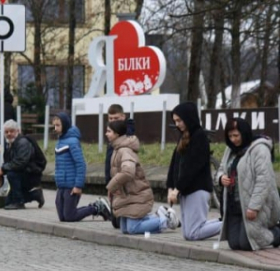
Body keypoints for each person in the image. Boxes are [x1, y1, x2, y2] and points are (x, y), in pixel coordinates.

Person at [215, 118, 280, 250]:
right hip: (235, 204)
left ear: (244, 133)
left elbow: (264, 180)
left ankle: (277, 234)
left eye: (236, 135)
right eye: (230, 136)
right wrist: (221, 178)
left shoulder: (260, 149)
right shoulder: (230, 150)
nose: (233, 139)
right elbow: (221, 168)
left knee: (246, 244)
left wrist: (254, 207)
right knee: (234, 243)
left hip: (255, 204)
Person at [106, 120, 179, 234]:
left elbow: (128, 172)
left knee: (132, 228)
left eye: (109, 131)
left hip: (137, 194)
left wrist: (111, 186)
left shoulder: (124, 150)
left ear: (117, 134)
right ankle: (159, 215)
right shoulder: (117, 149)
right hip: (129, 195)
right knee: (125, 229)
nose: (106, 134)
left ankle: (165, 220)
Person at [166, 101, 222, 240]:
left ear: (188, 118)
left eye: (179, 120)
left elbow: (192, 167)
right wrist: (170, 187)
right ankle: (223, 222)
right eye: (175, 121)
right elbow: (175, 163)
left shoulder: (199, 136)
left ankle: (230, 225)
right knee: (187, 233)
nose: (177, 124)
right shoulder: (184, 136)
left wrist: (177, 189)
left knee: (193, 233)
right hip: (186, 190)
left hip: (198, 189)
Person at [54, 112, 112, 222]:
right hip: (62, 185)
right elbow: (59, 165)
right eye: (54, 125)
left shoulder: (72, 142)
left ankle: (97, 207)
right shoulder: (60, 141)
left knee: (70, 216)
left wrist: (78, 185)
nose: (55, 128)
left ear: (65, 125)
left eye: (58, 125)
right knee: (63, 217)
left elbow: (80, 164)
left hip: (71, 185)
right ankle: (95, 207)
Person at [0, 119, 45, 210]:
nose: (9, 134)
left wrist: (3, 169)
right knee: (7, 202)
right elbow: (10, 162)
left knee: (11, 174)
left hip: (31, 175)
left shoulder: (22, 143)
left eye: (11, 131)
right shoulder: (10, 144)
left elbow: (20, 162)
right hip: (24, 173)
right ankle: (35, 195)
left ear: (18, 131)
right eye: (6, 132)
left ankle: (19, 202)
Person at [104, 104, 135, 229]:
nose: (112, 121)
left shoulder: (127, 136)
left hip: (122, 181)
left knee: (122, 222)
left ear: (123, 117)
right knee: (115, 223)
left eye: (116, 118)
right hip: (113, 180)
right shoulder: (112, 136)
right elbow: (108, 163)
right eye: (110, 119)